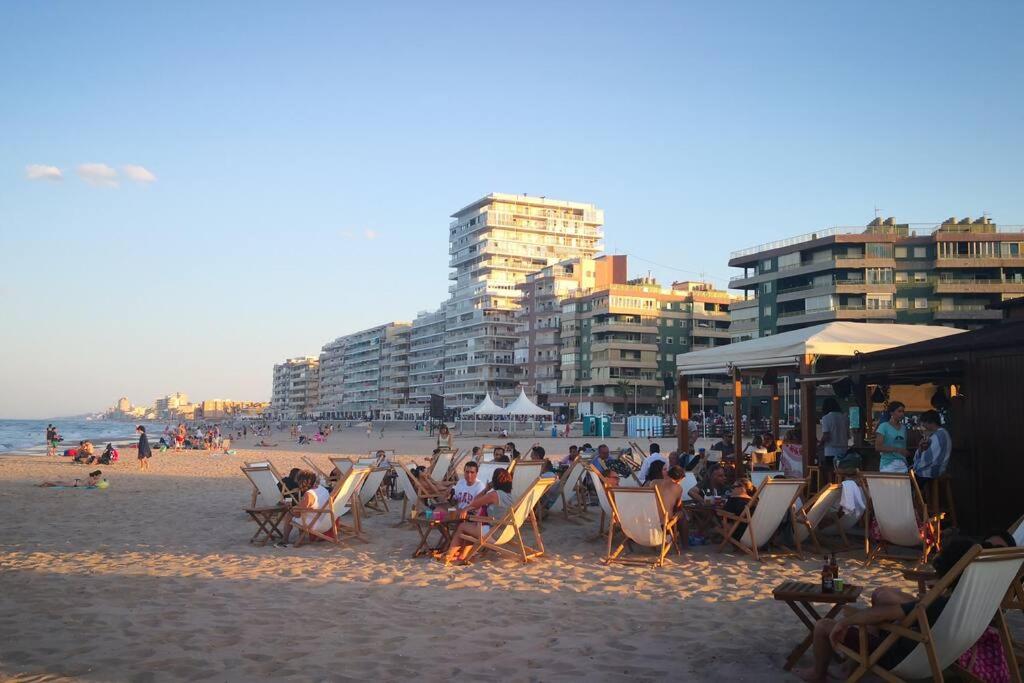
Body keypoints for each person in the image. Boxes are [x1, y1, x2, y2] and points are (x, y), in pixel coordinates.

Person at [796, 537, 975, 683]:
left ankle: (818, 674)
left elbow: (883, 614)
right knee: (879, 602)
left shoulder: (939, 604)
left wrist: (846, 621)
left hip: (897, 655)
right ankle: (849, 665)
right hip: (936, 654)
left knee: (823, 626)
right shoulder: (968, 601)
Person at [443, 468, 515, 564]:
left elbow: (474, 502)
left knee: (462, 526)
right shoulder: (510, 496)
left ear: (494, 480)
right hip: (507, 532)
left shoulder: (493, 495)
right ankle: (462, 556)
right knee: (471, 527)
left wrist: (486, 489)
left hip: (494, 533)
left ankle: (448, 556)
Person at [277, 470, 330, 547]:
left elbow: (298, 513)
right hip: (326, 521)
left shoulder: (309, 494)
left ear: (303, 482)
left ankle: (285, 540)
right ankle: (300, 537)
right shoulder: (322, 489)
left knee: (289, 514)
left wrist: (290, 508)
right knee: (299, 512)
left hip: (316, 524)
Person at [912, 409, 951, 487]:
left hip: (930, 472)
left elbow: (928, 459)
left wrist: (914, 467)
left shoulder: (939, 435)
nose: (922, 426)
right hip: (930, 470)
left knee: (905, 482)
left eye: (923, 423)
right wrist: (920, 448)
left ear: (930, 422)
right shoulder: (937, 434)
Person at [818, 398, 849, 480]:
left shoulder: (826, 418)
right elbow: (848, 435)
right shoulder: (844, 417)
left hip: (830, 450)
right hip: (844, 449)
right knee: (842, 472)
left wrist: (820, 444)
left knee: (831, 471)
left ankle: (831, 485)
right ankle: (841, 485)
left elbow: (826, 435)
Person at [875, 401, 909, 473]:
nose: (902, 414)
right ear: (891, 413)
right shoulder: (883, 426)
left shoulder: (903, 428)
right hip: (888, 464)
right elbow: (878, 447)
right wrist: (897, 450)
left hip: (902, 463)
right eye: (899, 411)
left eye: (903, 411)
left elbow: (903, 446)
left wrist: (905, 452)